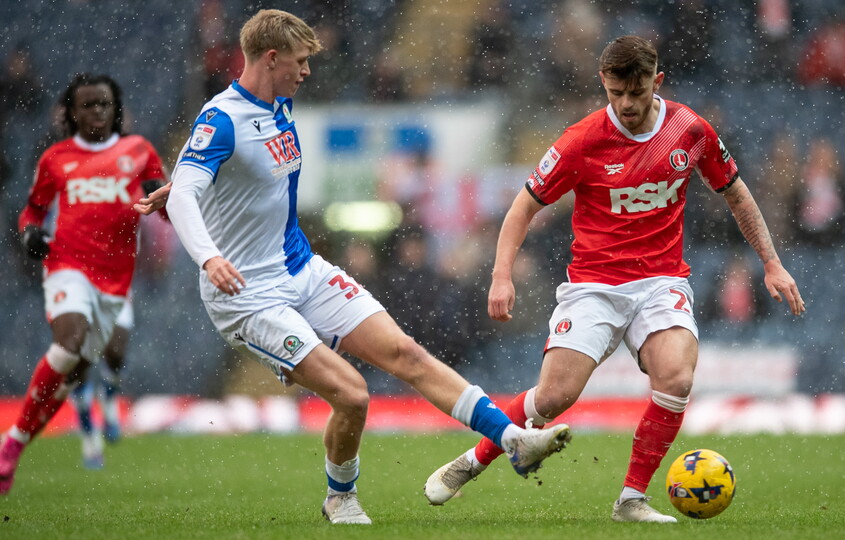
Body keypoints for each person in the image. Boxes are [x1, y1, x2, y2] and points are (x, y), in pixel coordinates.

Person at [134, 9, 570, 525]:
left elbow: (229, 178)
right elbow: (186, 197)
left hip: (300, 268)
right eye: (299, 61)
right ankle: (340, 497)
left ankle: (512, 440)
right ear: (270, 59)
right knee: (352, 393)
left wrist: (198, 182)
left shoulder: (280, 102)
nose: (307, 71)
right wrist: (207, 251)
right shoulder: (221, 118)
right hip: (248, 295)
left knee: (405, 352)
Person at [423, 35, 805, 523]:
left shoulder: (690, 130)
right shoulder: (581, 141)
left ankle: (631, 499)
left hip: (662, 280)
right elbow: (522, 207)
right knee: (555, 397)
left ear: (656, 81)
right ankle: (472, 461)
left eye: (637, 92)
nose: (626, 104)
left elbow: (736, 193)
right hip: (594, 286)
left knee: (677, 377)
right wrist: (501, 276)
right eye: (616, 93)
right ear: (604, 84)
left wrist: (771, 262)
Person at [0, 73, 167, 495]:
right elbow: (32, 212)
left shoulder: (139, 153)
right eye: (87, 105)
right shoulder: (56, 158)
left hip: (115, 281)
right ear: (72, 113)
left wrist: (177, 208)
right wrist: (28, 234)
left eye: (104, 104)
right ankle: (18, 447)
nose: (96, 112)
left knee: (78, 369)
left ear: (116, 109)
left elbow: (165, 208)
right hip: (67, 265)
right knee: (68, 342)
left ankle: (15, 442)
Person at [70, 297, 133, 469]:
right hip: (77, 292)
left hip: (114, 289)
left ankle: (108, 396)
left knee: (117, 353)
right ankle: (90, 439)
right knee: (76, 367)